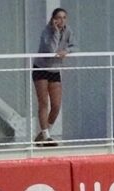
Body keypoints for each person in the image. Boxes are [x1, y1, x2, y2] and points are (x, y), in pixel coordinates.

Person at [32, 8, 75, 146]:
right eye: (59, 17)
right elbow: (51, 50)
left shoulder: (68, 30)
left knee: (56, 105)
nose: (61, 20)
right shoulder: (47, 32)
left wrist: (66, 51)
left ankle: (44, 134)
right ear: (53, 19)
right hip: (42, 68)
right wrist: (56, 32)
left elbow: (75, 46)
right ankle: (46, 136)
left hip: (55, 70)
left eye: (64, 17)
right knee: (44, 103)